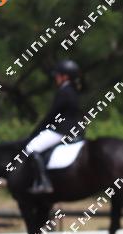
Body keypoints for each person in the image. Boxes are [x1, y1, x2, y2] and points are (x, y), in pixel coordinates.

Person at [26, 59, 83, 194]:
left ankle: (43, 182)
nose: (56, 78)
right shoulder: (74, 90)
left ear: (65, 77)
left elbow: (52, 115)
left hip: (62, 131)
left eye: (58, 75)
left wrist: (36, 131)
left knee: (31, 148)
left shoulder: (64, 91)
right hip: (75, 130)